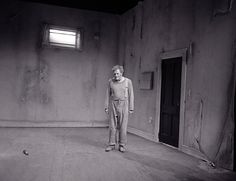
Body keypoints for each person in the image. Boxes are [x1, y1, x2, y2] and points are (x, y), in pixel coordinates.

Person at [104, 65, 134, 152]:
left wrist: (131, 107)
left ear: (121, 73)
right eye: (114, 74)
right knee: (112, 126)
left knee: (123, 126)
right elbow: (107, 94)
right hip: (113, 104)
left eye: (117, 74)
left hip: (124, 104)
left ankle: (122, 145)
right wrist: (106, 106)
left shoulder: (128, 82)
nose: (116, 76)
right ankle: (111, 144)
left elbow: (131, 95)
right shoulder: (111, 81)